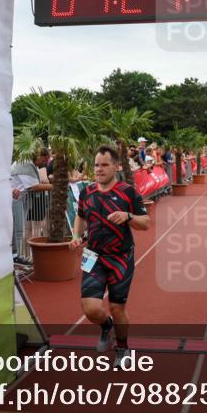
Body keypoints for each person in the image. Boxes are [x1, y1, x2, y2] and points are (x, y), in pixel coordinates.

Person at [69, 145, 150, 369]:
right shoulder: (87, 192)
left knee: (117, 308)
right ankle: (106, 326)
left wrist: (127, 216)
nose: (99, 169)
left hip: (120, 258)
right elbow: (80, 216)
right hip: (92, 256)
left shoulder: (128, 192)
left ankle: (122, 347)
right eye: (96, 165)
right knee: (90, 309)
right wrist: (76, 235)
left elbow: (145, 223)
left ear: (116, 166)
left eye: (104, 165)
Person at [10, 149, 52, 265]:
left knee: (19, 229)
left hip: (21, 198)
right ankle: (16, 257)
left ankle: (17, 255)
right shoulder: (25, 164)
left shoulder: (27, 163)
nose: (44, 163)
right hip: (15, 199)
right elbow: (34, 186)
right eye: (44, 160)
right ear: (38, 156)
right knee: (18, 229)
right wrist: (55, 186)